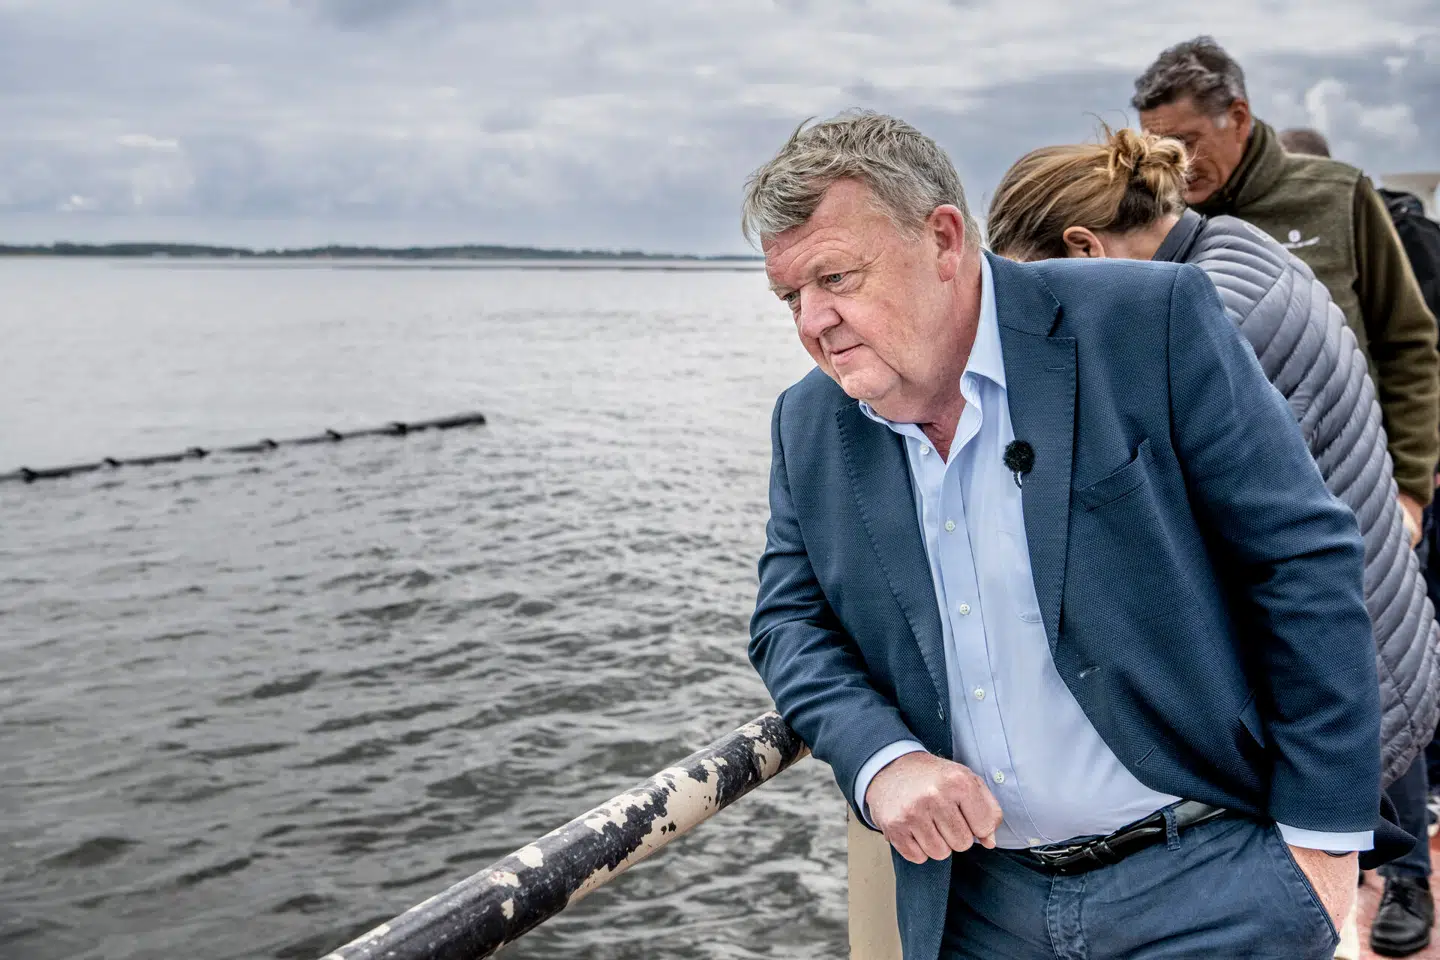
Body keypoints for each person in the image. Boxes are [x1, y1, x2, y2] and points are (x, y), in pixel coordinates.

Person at [744, 110, 1404, 960]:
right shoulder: (808, 422)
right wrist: (880, 760)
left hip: (1207, 876)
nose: (812, 322)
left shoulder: (1147, 321)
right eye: (790, 296)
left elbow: (1302, 559)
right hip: (980, 908)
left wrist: (1322, 843)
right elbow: (788, 624)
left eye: (836, 277)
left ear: (944, 239)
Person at [985, 127, 1440, 957]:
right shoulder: (1239, 247)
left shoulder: (1206, 317)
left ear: (1084, 250)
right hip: (1385, 617)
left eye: (1031, 292)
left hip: (1349, 662)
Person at [1132, 37, 1440, 554]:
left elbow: (1406, 339)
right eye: (1159, 146)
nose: (1176, 163)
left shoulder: (1337, 194)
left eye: (1188, 141)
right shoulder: (1149, 221)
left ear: (1239, 116)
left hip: (1359, 496)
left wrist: (1410, 489)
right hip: (1225, 515)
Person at [1283, 123, 1440, 956]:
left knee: (1384, 671)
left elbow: (1412, 345)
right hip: (1289, 502)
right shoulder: (1213, 224)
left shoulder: (1354, 208)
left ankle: (1407, 870)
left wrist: (1412, 481)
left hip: (1372, 486)